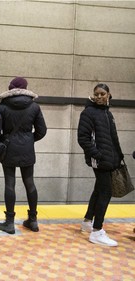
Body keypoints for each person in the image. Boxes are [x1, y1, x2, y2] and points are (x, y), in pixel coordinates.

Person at [0, 77, 47, 234]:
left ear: (10, 88)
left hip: (9, 149)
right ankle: (33, 220)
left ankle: (9, 223)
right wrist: (29, 139)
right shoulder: (34, 107)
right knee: (29, 182)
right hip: (27, 149)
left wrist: (4, 139)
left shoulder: (2, 107)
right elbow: (42, 131)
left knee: (10, 183)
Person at [78, 83, 123, 247]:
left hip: (110, 160)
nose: (99, 97)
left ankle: (88, 221)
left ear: (108, 95)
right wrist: (98, 155)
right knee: (106, 192)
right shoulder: (88, 113)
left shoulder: (107, 113)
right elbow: (83, 138)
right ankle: (97, 232)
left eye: (102, 94)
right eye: (96, 94)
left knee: (99, 190)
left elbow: (113, 138)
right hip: (100, 161)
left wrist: (118, 156)